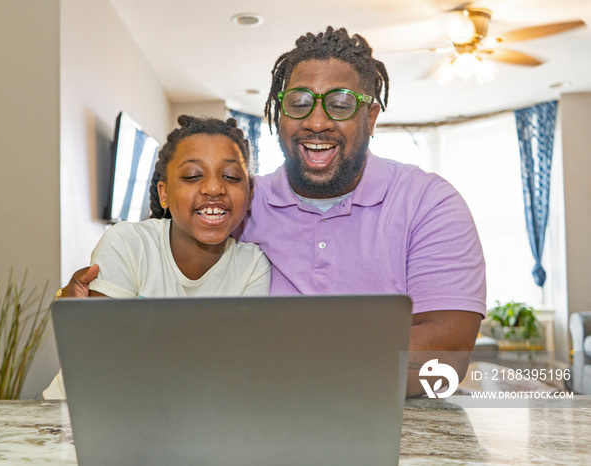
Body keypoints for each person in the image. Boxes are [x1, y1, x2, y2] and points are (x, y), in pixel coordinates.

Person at [63, 27, 486, 398]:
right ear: (277, 114)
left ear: (370, 116)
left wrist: (284, 363)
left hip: (401, 425)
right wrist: (88, 320)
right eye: (299, 102)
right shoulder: (239, 206)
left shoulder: (429, 203)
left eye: (340, 103)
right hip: (250, 418)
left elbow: (445, 358)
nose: (317, 121)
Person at [46, 116, 271, 398]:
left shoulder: (253, 266)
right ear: (163, 194)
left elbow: (238, 370)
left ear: (249, 195)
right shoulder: (127, 244)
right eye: (192, 176)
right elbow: (106, 364)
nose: (214, 188)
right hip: (75, 412)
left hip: (183, 417)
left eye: (231, 176)